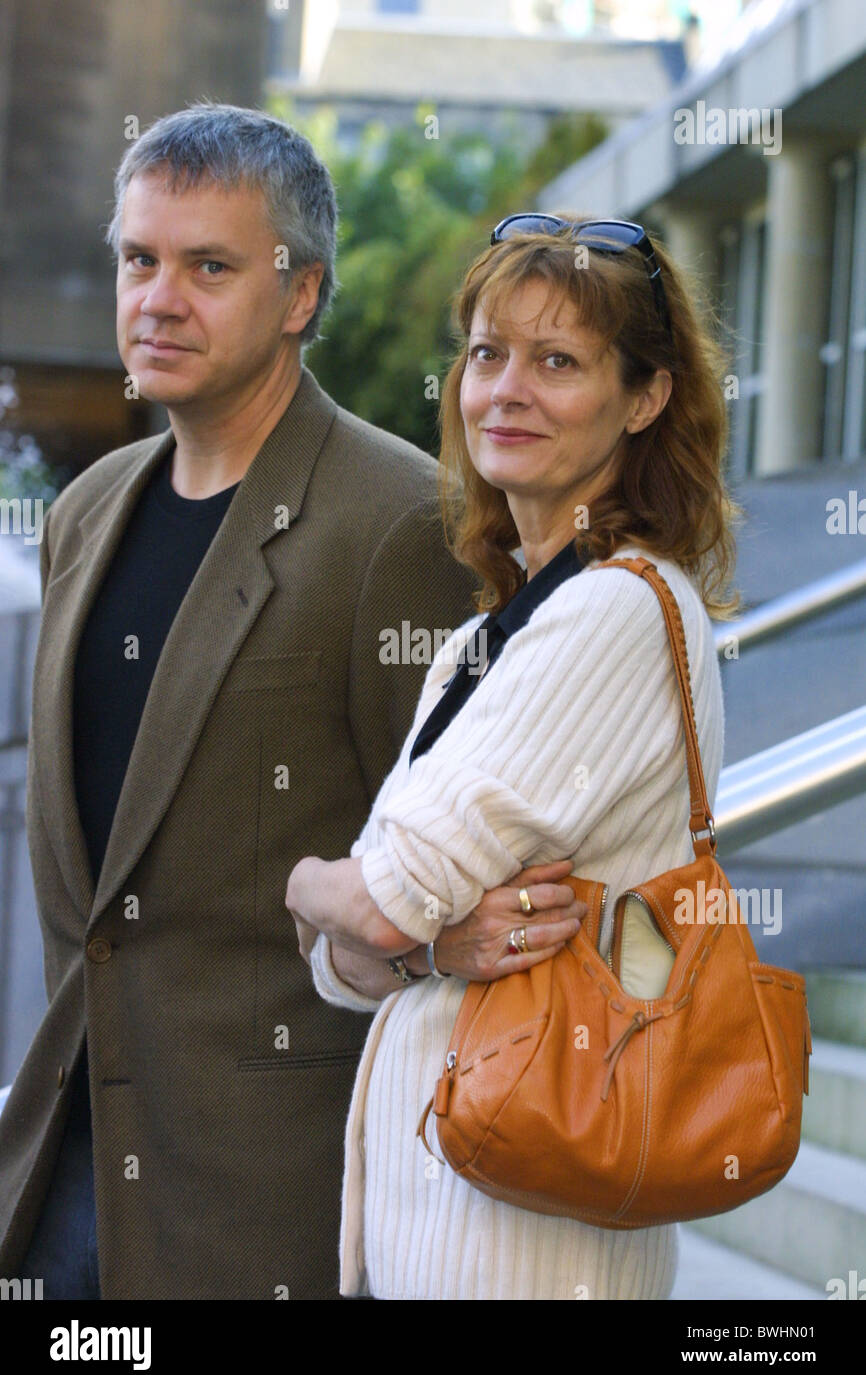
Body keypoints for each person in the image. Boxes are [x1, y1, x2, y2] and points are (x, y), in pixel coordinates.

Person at [0, 101, 501, 1300]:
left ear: (300, 294)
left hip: (264, 1202)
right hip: (60, 1160)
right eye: (139, 260)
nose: (158, 299)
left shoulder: (403, 524)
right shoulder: (84, 512)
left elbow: (456, 868)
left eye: (208, 266)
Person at [286, 213, 740, 1300]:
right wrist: (433, 947)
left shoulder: (613, 615)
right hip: (437, 1227)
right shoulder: (484, 638)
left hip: (528, 1251)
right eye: (487, 354)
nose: (505, 390)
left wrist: (305, 882)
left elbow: (378, 903)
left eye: (557, 361)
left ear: (645, 397)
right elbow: (341, 968)